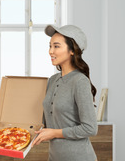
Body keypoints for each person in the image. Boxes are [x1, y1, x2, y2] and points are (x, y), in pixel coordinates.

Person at [32, 25, 98, 161]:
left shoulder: (79, 81)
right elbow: (48, 123)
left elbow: (90, 128)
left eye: (56, 46)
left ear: (72, 50)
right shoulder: (52, 80)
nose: (50, 51)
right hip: (54, 157)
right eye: (50, 46)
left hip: (79, 157)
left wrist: (54, 133)